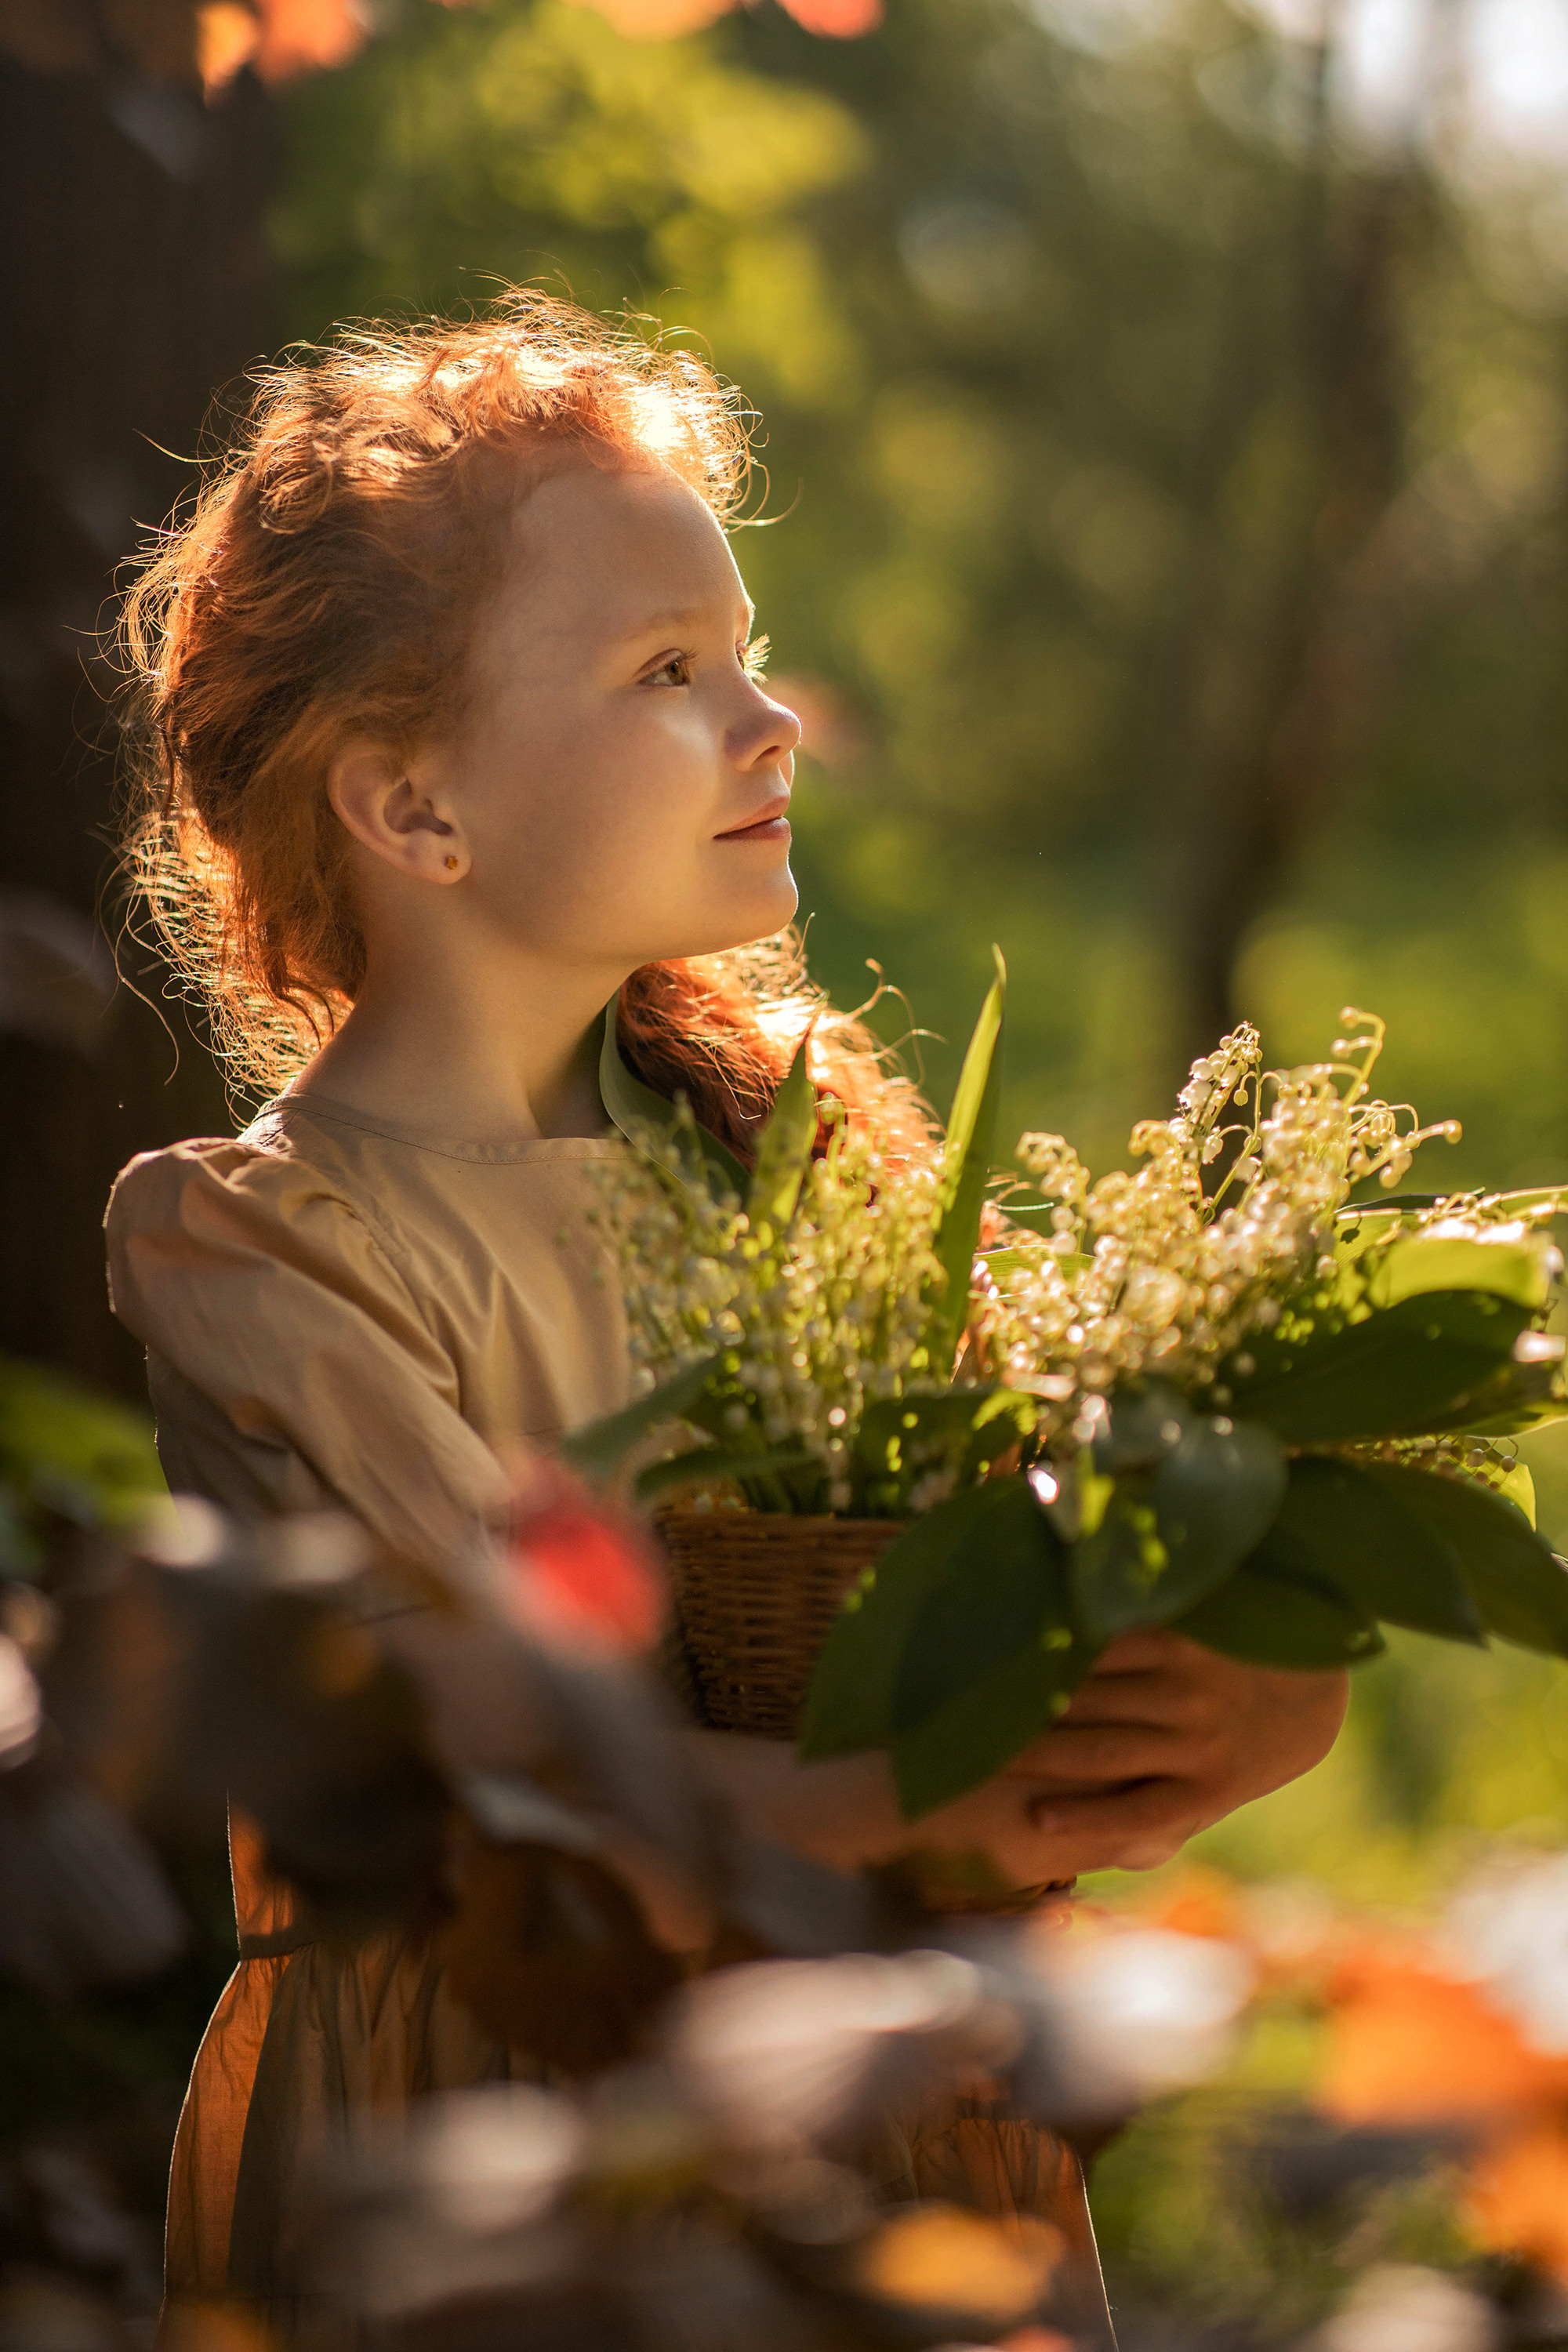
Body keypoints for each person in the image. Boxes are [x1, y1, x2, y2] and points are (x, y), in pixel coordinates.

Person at [104, 292, 1347, 2344]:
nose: (770, 722)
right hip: (498, 2117)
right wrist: (914, 1822)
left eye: (745, 657)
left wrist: (1244, 1708)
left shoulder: (794, 1164)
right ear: (415, 809)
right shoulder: (270, 1244)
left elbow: (1076, 1553)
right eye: (669, 672)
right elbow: (503, 1778)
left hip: (888, 2087)